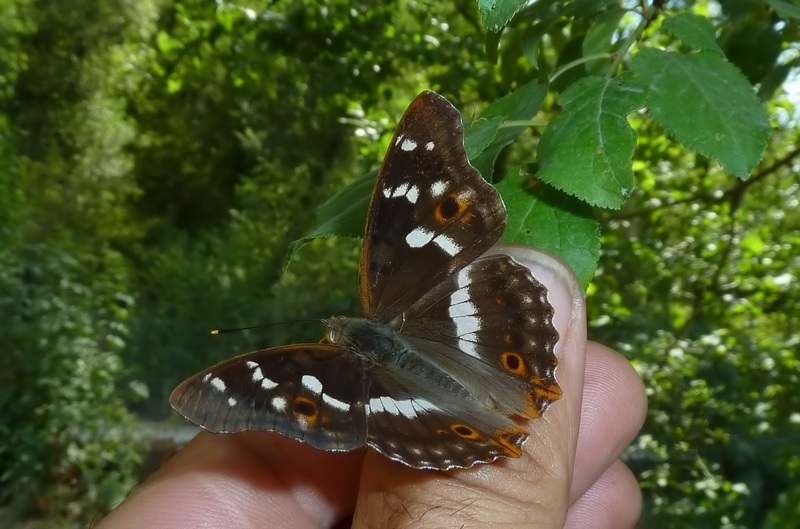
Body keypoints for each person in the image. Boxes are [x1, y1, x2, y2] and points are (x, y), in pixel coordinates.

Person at [98, 246, 647, 528]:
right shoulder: (379, 299)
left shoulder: (312, 363)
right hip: (446, 350)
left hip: (448, 341)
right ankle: (500, 406)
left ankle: (496, 407)